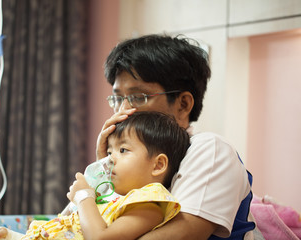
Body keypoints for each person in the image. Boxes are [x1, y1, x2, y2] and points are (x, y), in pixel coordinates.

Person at [96, 34, 256, 239]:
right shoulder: (124, 158)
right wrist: (102, 169)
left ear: (183, 105)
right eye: (117, 98)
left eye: (138, 97)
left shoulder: (210, 150)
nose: (122, 111)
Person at [0, 111, 190, 240]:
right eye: (110, 151)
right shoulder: (111, 195)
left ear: (158, 165)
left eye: (123, 150)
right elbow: (62, 225)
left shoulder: (149, 204)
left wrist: (85, 196)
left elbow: (99, 238)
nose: (110, 159)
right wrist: (12, 236)